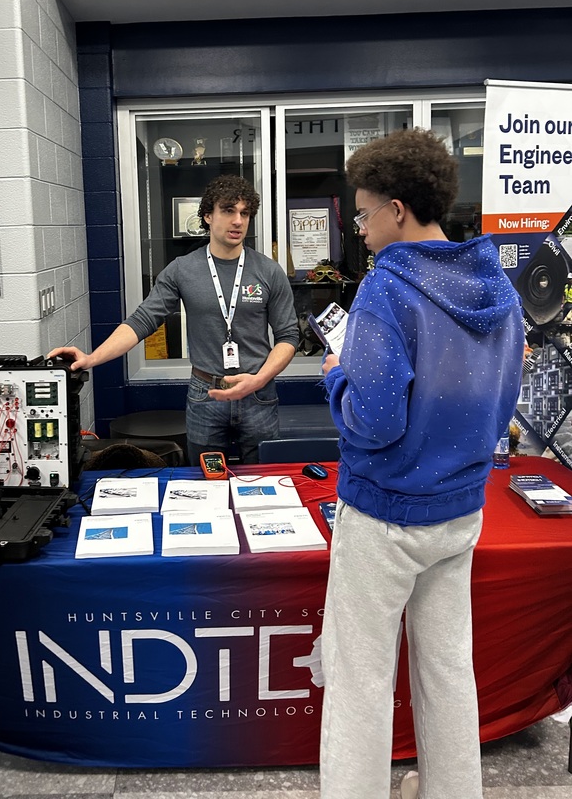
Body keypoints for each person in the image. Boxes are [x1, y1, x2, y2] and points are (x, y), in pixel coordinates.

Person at [318, 129, 524, 799]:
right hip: (461, 513)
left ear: (397, 209)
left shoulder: (387, 292)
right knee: (447, 671)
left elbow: (374, 422)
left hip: (385, 519)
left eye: (363, 213)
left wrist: (336, 378)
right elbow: (501, 411)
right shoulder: (498, 287)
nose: (360, 229)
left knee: (360, 685)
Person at [48, 174, 299, 465]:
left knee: (262, 479)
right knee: (205, 482)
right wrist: (91, 358)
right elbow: (142, 320)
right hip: (206, 393)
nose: (238, 221)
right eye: (228, 210)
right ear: (207, 215)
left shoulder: (268, 271)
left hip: (259, 393)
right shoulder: (182, 270)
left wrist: (258, 380)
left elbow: (288, 336)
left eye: (244, 213)